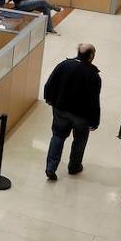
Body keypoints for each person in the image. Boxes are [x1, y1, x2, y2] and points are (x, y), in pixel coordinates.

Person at [43, 43, 101, 180]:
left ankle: (50, 167)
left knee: (57, 136)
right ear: (91, 56)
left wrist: (49, 99)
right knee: (80, 140)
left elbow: (50, 83)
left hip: (61, 109)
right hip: (81, 116)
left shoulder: (65, 65)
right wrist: (95, 120)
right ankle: (74, 167)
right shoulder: (93, 75)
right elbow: (94, 101)